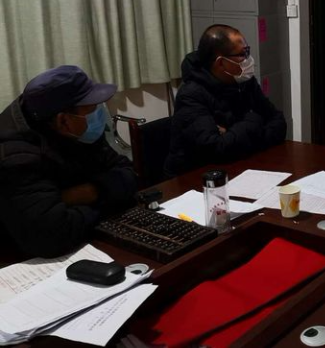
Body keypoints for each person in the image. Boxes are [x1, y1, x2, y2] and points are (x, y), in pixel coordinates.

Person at [0, 66, 137, 258]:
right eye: (92, 109)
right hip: (25, 262)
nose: (99, 114)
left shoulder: (81, 131)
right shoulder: (15, 156)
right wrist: (110, 198)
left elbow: (128, 174)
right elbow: (52, 236)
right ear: (63, 120)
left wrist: (89, 192)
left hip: (83, 238)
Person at [165, 24, 287, 177]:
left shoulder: (244, 80)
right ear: (220, 62)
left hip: (241, 166)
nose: (248, 59)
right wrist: (254, 120)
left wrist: (232, 133)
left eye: (247, 51)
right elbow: (216, 150)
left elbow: (278, 122)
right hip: (194, 179)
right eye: (242, 54)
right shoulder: (191, 95)